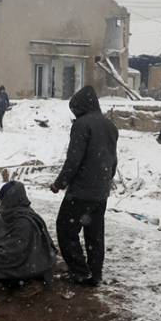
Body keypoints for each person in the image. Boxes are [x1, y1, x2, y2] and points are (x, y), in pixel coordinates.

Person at [50, 86, 118, 287]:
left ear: (81, 106)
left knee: (65, 229)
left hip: (81, 191)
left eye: (75, 109)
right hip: (100, 191)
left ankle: (79, 271)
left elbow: (74, 160)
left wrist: (59, 183)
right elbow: (113, 160)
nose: (74, 113)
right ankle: (95, 274)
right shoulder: (109, 125)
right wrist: (105, 182)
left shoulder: (81, 125)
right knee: (94, 234)